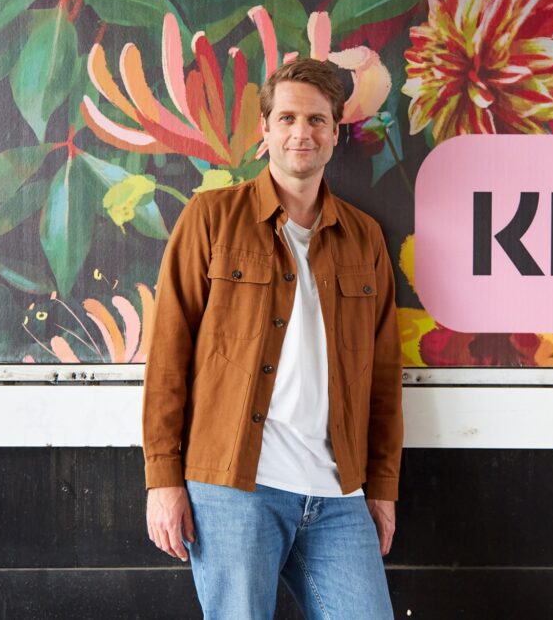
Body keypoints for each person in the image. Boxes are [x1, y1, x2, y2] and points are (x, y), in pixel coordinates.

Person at [142, 58, 403, 619]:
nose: (301, 133)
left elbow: (383, 377)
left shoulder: (365, 238)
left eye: (316, 119)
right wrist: (162, 480)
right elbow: (167, 355)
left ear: (336, 132)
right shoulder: (211, 217)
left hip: (338, 496)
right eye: (287, 118)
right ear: (265, 129)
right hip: (234, 488)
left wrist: (382, 487)